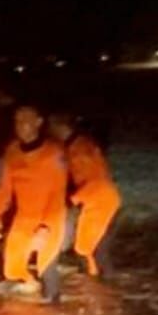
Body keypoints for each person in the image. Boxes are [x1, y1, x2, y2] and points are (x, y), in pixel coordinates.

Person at [0, 104, 68, 302]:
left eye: (26, 120)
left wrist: (46, 227)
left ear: (38, 123)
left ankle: (53, 302)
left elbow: (58, 192)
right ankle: (28, 300)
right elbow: (5, 187)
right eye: (17, 121)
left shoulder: (53, 152)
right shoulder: (12, 152)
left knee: (46, 264)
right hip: (25, 216)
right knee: (12, 266)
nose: (21, 125)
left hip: (51, 215)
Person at [47, 113, 121, 279]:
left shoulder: (79, 151)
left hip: (100, 202)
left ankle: (100, 284)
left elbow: (94, 182)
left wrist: (72, 199)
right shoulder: (80, 145)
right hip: (103, 199)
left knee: (88, 249)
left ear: (61, 127)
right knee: (95, 248)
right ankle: (103, 283)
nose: (49, 131)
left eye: (51, 127)